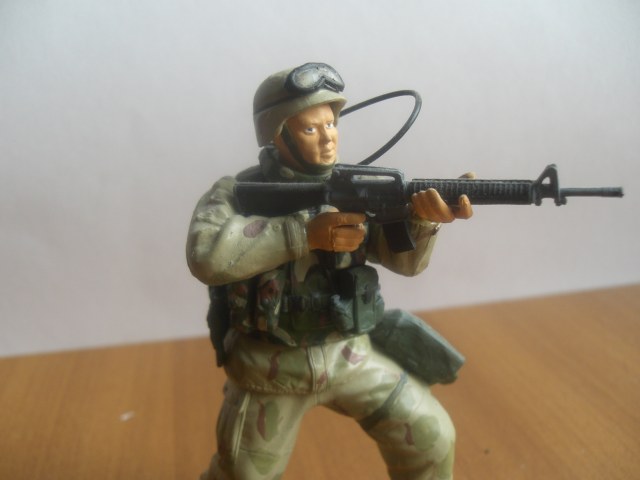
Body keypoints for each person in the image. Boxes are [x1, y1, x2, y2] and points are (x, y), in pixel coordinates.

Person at [186, 62, 472, 480]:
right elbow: (206, 256)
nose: (327, 138)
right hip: (270, 370)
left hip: (349, 356)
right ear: (277, 134)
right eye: (309, 129)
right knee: (243, 475)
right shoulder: (235, 194)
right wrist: (304, 233)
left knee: (432, 437)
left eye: (331, 124)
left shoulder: (357, 186)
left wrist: (424, 222)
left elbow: (405, 264)